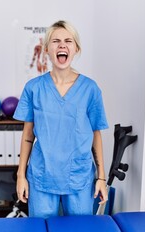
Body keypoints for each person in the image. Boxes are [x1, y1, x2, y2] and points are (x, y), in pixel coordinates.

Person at [13, 20, 109, 218]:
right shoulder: (34, 88)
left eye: (68, 41)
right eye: (56, 41)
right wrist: (20, 175)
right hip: (42, 176)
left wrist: (101, 177)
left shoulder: (90, 89)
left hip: (79, 177)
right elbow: (28, 136)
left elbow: (95, 134)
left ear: (76, 49)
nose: (62, 45)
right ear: (47, 49)